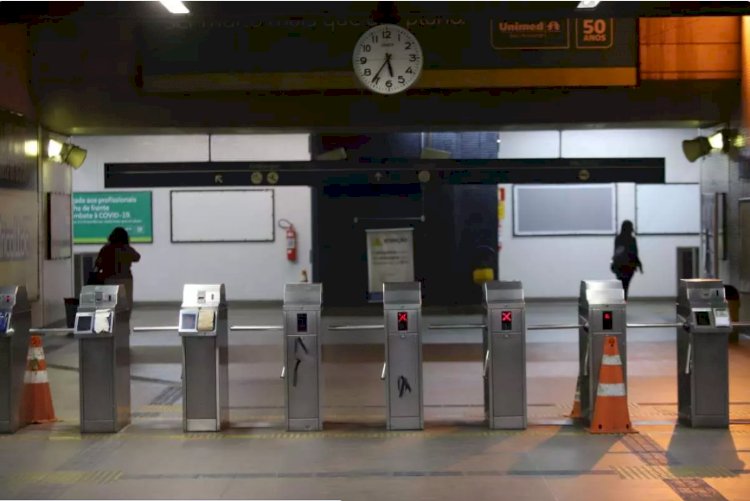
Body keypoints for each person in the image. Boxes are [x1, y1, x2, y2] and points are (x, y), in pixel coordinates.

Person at [95, 227, 141, 309]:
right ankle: (125, 320)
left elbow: (98, 264)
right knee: (126, 304)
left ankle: (111, 319)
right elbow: (137, 257)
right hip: (125, 279)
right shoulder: (127, 248)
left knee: (109, 304)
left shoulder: (106, 249)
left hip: (109, 279)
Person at [611, 220, 643, 300]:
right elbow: (635, 253)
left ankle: (620, 302)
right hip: (629, 266)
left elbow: (616, 252)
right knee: (625, 286)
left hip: (619, 266)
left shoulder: (618, 238)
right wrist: (639, 264)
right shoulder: (632, 239)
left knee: (621, 285)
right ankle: (623, 302)